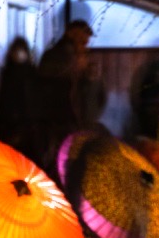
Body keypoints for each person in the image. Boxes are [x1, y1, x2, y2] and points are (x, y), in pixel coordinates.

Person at [33, 19, 105, 169]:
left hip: (75, 121)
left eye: (86, 40)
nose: (85, 43)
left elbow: (94, 94)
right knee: (60, 161)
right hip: (59, 120)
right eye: (82, 37)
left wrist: (89, 77)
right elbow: (48, 81)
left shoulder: (81, 58)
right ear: (71, 33)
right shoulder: (59, 56)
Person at [0, 37, 36, 148]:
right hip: (11, 124)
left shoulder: (30, 73)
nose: (19, 54)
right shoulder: (8, 73)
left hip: (24, 124)